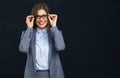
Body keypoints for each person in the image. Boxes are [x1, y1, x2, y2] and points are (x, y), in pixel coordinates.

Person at [19, 3, 66, 78]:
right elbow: (23, 49)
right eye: (38, 16)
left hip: (54, 74)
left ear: (48, 17)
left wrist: (54, 26)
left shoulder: (55, 32)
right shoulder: (28, 33)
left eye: (44, 16)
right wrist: (29, 28)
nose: (41, 19)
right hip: (33, 75)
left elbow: (60, 47)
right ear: (34, 18)